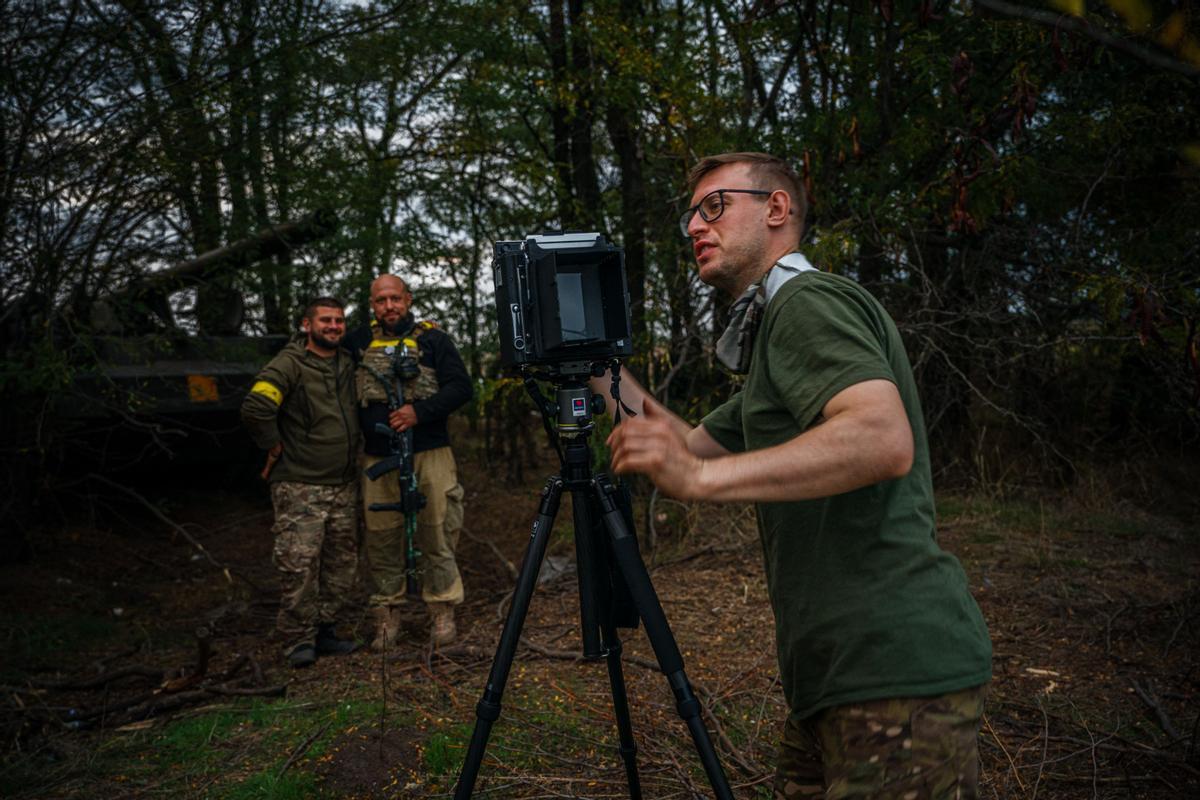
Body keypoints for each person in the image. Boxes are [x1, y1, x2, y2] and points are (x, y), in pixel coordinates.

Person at [602, 152, 993, 799]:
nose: (696, 227)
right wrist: (592, 363)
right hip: (834, 679)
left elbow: (880, 436)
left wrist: (697, 482)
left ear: (777, 210)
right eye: (689, 218)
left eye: (714, 206)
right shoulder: (774, 351)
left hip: (894, 671)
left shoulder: (806, 302)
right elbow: (684, 443)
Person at [345, 275, 473, 649]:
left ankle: (442, 611)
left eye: (395, 299)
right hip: (377, 457)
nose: (389, 306)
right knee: (382, 536)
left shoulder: (433, 339)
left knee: (437, 529)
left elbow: (461, 387)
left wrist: (420, 412)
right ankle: (387, 614)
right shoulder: (358, 342)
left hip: (430, 453)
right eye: (381, 300)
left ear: (408, 299)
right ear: (373, 304)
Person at [240, 297, 362, 669]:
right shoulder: (290, 364)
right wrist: (273, 444)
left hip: (343, 484)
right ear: (307, 325)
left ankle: (325, 630)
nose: (334, 327)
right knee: (299, 565)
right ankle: (297, 640)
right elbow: (256, 406)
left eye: (339, 321)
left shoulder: (346, 362)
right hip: (300, 486)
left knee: (341, 565)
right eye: (325, 320)